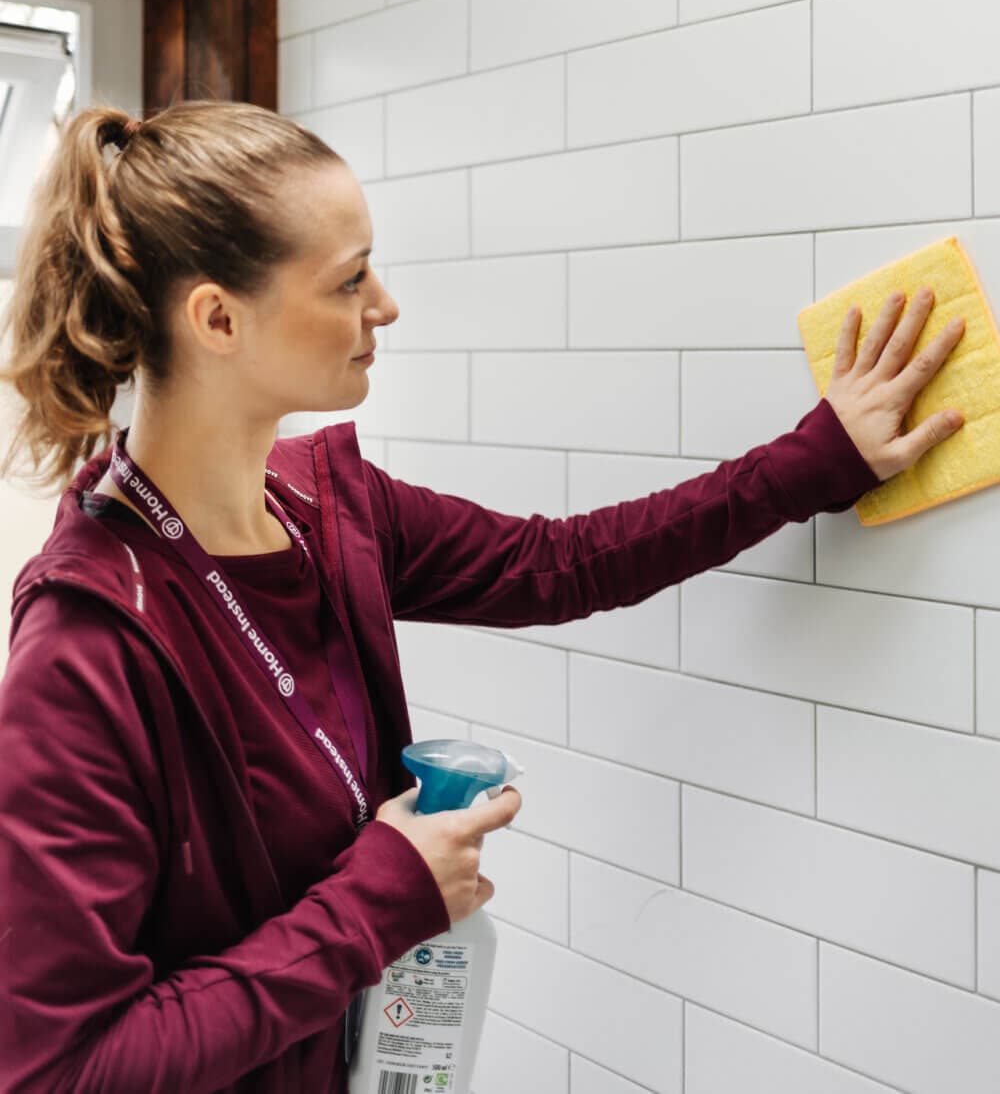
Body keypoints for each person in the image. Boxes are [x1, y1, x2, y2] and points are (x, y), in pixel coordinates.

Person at [0, 100, 965, 1093]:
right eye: (348, 278)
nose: (386, 303)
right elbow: (60, 1070)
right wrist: (383, 897)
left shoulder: (327, 508)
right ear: (217, 319)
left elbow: (565, 563)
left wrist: (818, 459)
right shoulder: (88, 645)